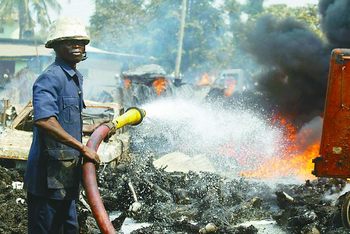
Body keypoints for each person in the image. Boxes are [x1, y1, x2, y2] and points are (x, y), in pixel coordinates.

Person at [24, 17, 100, 234]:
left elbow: (64, 120)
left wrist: (90, 130)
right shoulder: (50, 78)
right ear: (56, 47)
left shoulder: (74, 78)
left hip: (66, 177)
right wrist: (83, 148)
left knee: (69, 228)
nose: (78, 47)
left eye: (81, 43)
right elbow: (45, 120)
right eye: (70, 42)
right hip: (47, 179)